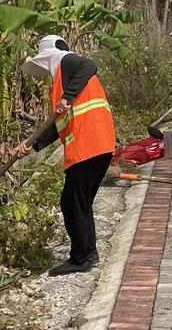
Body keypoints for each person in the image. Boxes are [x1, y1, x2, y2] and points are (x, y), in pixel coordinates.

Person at [17, 35, 115, 276]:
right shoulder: (64, 77)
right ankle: (87, 254)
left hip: (88, 144)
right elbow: (57, 123)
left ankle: (81, 258)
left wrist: (67, 97)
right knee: (79, 202)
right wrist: (32, 144)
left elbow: (89, 65)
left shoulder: (67, 63)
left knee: (72, 203)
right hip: (98, 144)